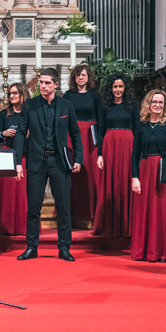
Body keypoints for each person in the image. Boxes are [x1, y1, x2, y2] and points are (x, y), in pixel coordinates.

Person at [13, 68, 83, 261]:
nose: (42, 86)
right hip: (37, 161)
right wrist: (17, 162)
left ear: (56, 85)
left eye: (46, 83)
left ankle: (64, 248)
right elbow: (20, 133)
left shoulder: (66, 105)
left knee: (63, 207)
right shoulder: (30, 105)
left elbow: (75, 133)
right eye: (41, 82)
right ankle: (32, 247)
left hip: (59, 162)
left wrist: (78, 159)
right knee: (34, 206)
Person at [130, 89, 166, 262]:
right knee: (146, 212)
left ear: (165, 105)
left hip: (165, 170)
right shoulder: (141, 125)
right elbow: (135, 153)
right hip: (146, 171)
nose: (157, 105)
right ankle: (146, 251)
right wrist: (135, 177)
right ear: (148, 103)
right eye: (154, 102)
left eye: (161, 102)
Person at [93, 74, 136, 238]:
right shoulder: (106, 107)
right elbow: (100, 131)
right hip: (109, 146)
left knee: (126, 182)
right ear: (110, 89)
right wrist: (99, 154)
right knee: (110, 184)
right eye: (115, 87)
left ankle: (127, 227)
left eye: (121, 86)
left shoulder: (132, 106)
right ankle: (108, 225)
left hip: (128, 146)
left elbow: (137, 130)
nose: (118, 90)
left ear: (125, 89)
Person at [63, 63, 102, 225]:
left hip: (90, 136)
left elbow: (100, 118)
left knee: (92, 174)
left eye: (83, 75)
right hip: (72, 135)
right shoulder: (68, 95)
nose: (80, 77)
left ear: (88, 77)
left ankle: (92, 213)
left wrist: (100, 144)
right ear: (74, 77)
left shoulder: (95, 95)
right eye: (78, 75)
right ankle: (71, 213)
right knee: (72, 172)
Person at [0, 82, 29, 236]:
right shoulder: (4, 114)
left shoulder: (29, 113)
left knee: (22, 192)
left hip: (25, 155)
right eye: (10, 94)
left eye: (15, 93)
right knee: (6, 191)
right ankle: (5, 225)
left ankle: (23, 227)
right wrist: (4, 133)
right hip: (7, 153)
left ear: (22, 94)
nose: (12, 96)